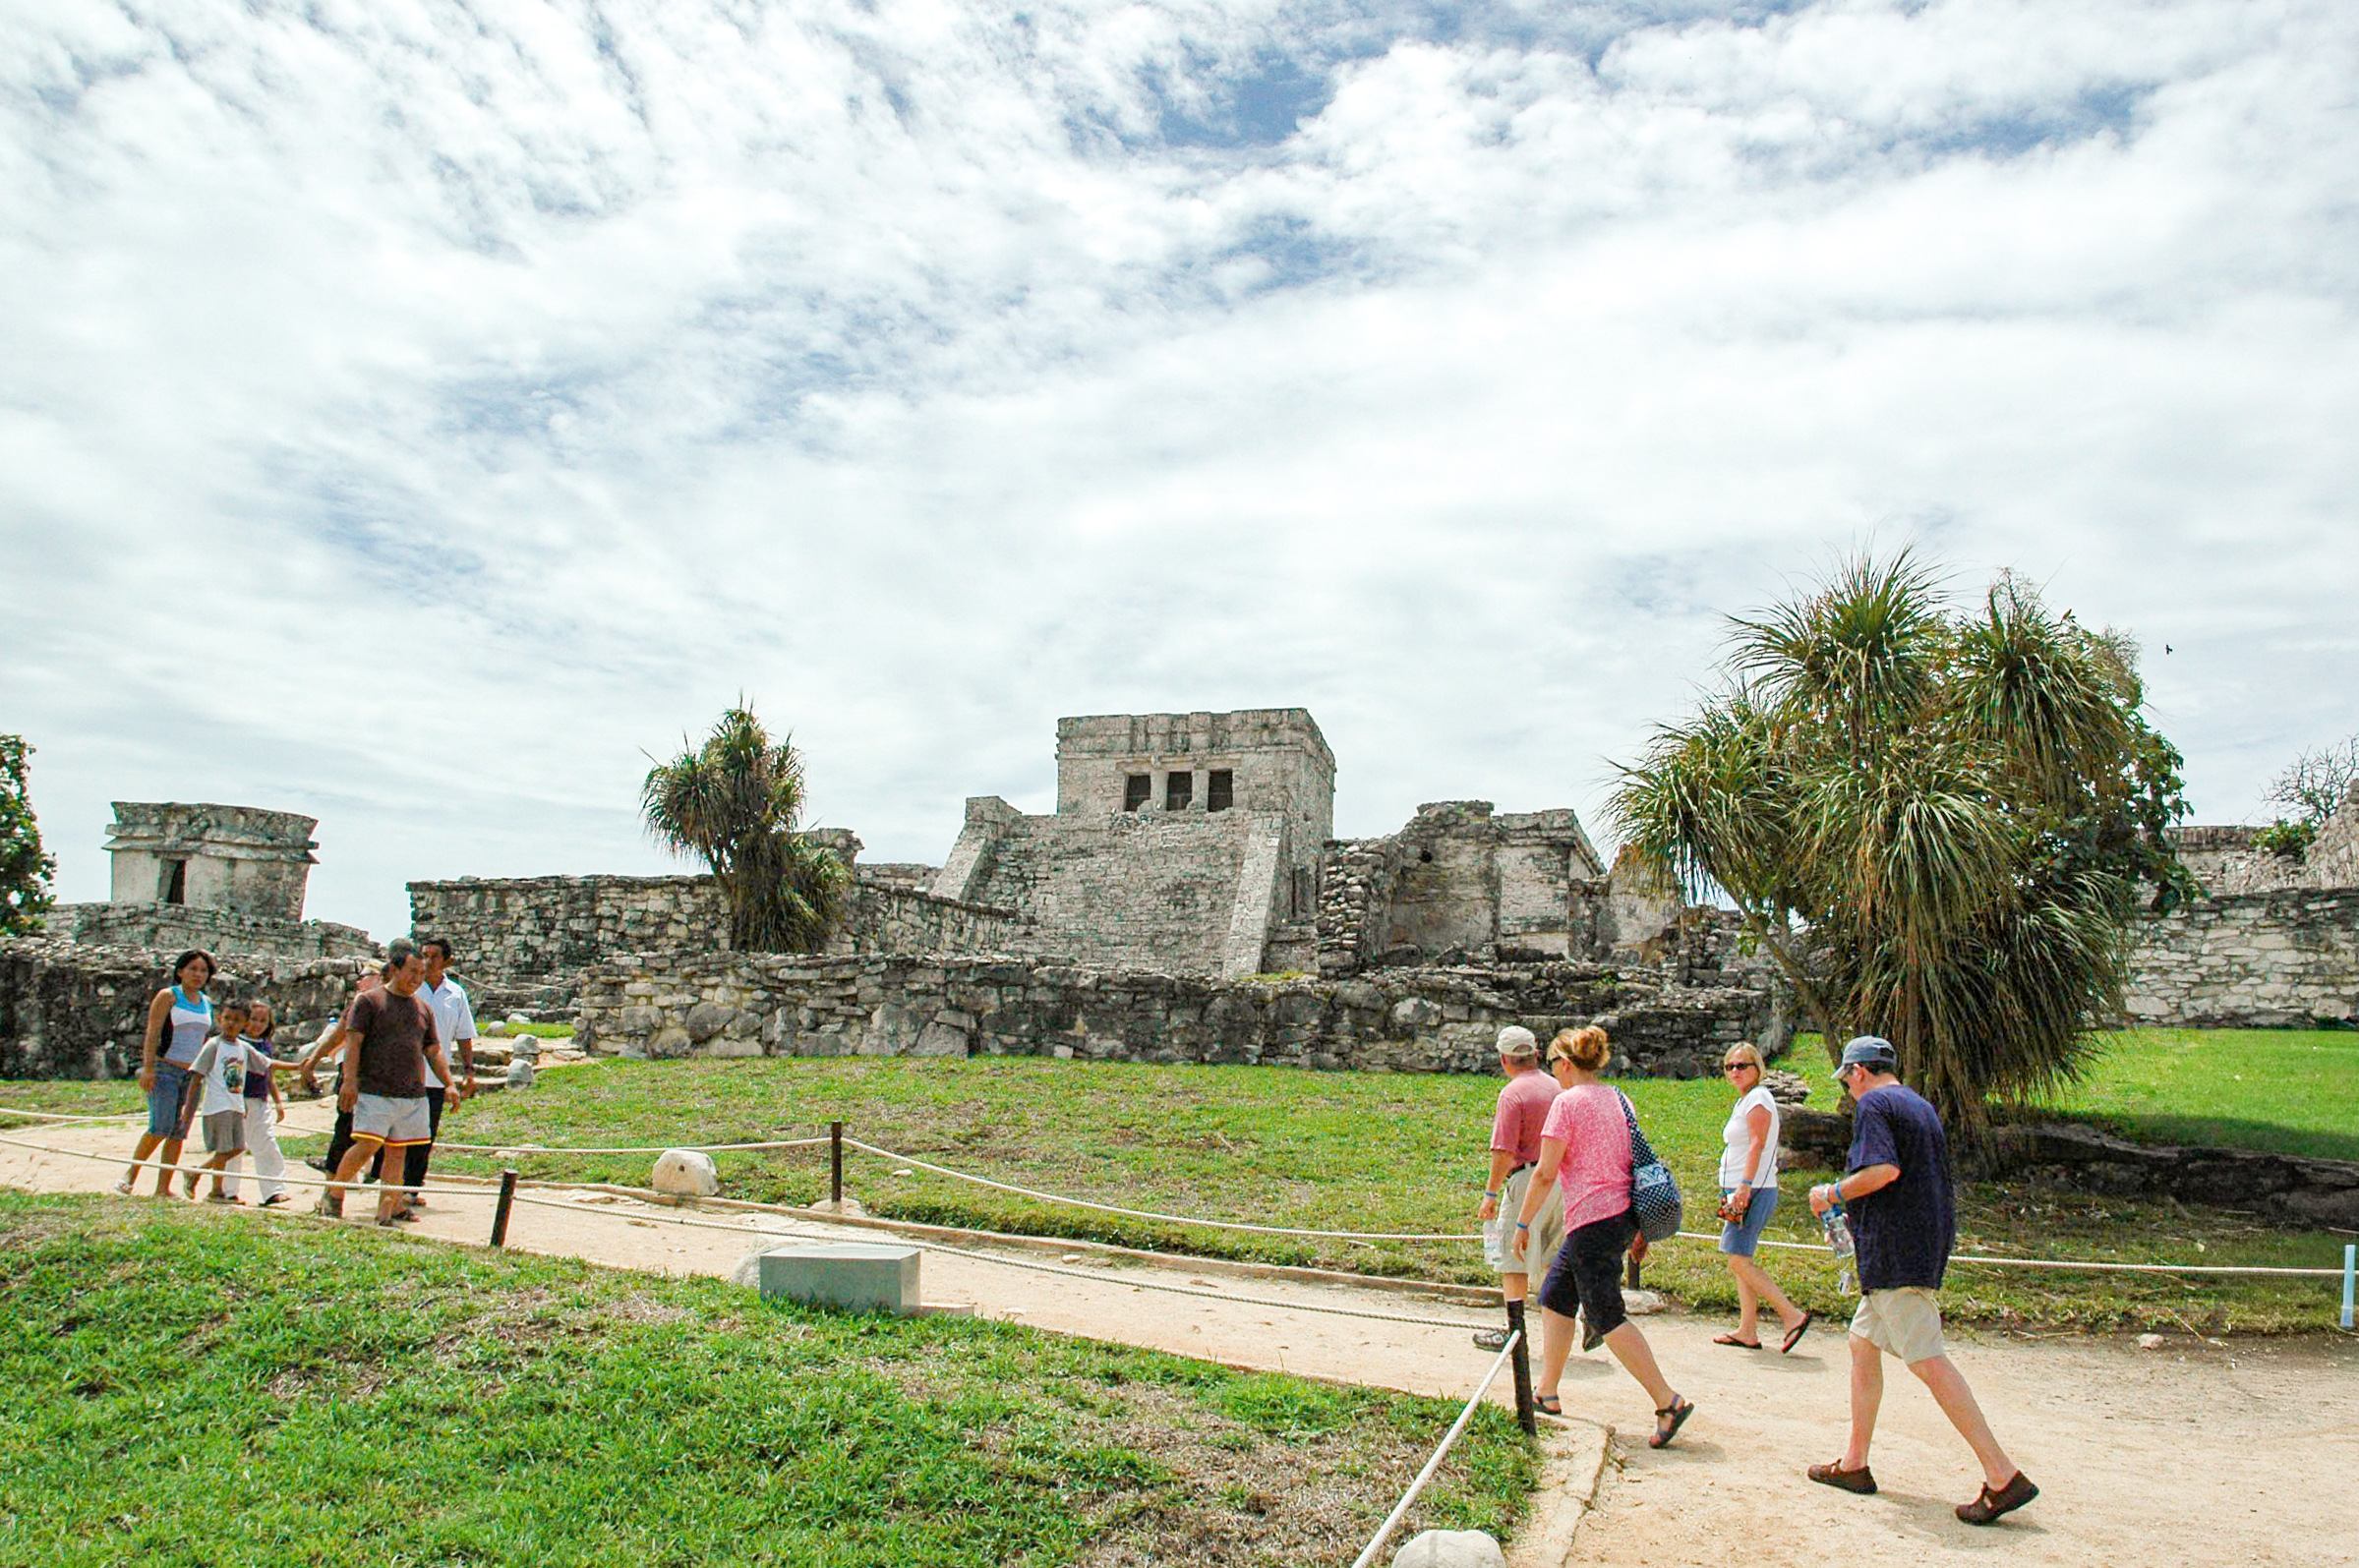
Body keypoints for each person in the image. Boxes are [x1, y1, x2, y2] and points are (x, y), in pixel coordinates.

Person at [1806, 1036, 2038, 1526]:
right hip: (1916, 1244)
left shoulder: (1874, 1105)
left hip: (1895, 1251)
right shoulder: (1917, 1104)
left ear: (1859, 1072)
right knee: (1862, 1344)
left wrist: (1831, 1192)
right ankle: (1854, 1463)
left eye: (1847, 1079)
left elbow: (1883, 1170)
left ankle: (2002, 1475)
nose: (1848, 1091)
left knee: (1929, 1361)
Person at [1511, 1025, 1694, 1447]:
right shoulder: (1620, 1099)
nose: (1553, 1071)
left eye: (1555, 1063)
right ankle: (1547, 1391)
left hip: (1592, 1221)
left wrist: (1524, 1223)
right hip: (1618, 1216)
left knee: (1607, 1315)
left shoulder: (1566, 1103)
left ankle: (1668, 1401)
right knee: (1556, 1296)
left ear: (1567, 1064)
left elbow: (1545, 1172)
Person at [318, 941, 464, 1226]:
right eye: (412, 971)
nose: (417, 978)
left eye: (421, 973)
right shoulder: (369, 1001)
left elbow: (432, 1050)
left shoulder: (423, 1009)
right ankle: (334, 1194)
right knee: (366, 1146)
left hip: (410, 1092)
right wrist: (349, 1082)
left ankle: (387, 1210)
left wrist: (449, 1082)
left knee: (398, 1151)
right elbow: (353, 1042)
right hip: (374, 1089)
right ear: (395, 969)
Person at [1713, 1042, 1811, 1353]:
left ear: (1758, 1068)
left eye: (1743, 1065)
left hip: (1752, 1189)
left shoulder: (1758, 1098)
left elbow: (1757, 1144)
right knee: (1743, 1258)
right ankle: (1747, 1329)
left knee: (1737, 1259)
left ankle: (1791, 1314)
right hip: (1740, 1188)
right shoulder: (1746, 1100)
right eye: (1730, 1066)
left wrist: (1744, 1186)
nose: (1735, 1072)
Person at [1473, 1026, 1564, 1352]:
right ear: (1535, 1054)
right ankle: (1572, 1322)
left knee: (1514, 1259)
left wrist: (1491, 1193)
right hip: (1562, 1178)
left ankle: (1515, 1330)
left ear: (1504, 1059)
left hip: (1527, 1178)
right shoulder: (1558, 1087)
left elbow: (1503, 1151)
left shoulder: (1513, 1093)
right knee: (1556, 1256)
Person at [117, 950, 215, 1197]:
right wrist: (148, 1068)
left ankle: (163, 1188)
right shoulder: (168, 996)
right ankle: (130, 1175)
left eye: (203, 970)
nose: (197, 974)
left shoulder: (205, 1002)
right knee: (159, 1127)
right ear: (180, 971)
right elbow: (153, 1032)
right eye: (192, 968)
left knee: (178, 1132)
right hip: (166, 1069)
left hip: (191, 1074)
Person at [401, 937, 479, 1213]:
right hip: (405, 1073)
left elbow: (464, 1035)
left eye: (434, 956)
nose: (429, 960)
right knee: (399, 1131)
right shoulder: (410, 988)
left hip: (436, 1077)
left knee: (425, 1134)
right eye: (425, 955)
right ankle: (390, 1183)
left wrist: (468, 1072)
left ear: (447, 960)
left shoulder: (455, 994)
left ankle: (410, 1188)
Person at [294, 965, 385, 1175]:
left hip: (380, 1080)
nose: (358, 982)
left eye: (363, 977)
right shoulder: (361, 1004)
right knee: (346, 1130)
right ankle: (335, 1184)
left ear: (377, 977)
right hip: (357, 1076)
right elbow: (338, 1035)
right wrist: (314, 1060)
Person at [179, 998, 256, 1202]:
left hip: (235, 1105)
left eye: (237, 1020)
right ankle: (216, 1191)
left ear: (245, 1024)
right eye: (227, 1018)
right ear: (219, 1019)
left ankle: (196, 1172)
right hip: (218, 1105)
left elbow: (261, 1066)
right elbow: (197, 1075)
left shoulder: (242, 1048)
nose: (231, 1023)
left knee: (238, 1147)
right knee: (224, 1148)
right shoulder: (213, 1045)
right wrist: (188, 1107)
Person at [220, 1000, 292, 1207]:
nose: (257, 1025)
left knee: (266, 1143)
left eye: (262, 1020)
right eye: (253, 1019)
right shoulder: (236, 1044)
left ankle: (274, 1190)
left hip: (260, 1101)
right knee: (235, 1147)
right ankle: (228, 1191)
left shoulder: (266, 1046)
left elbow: (269, 1075)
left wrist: (278, 1102)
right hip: (239, 1100)